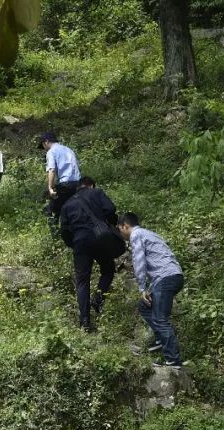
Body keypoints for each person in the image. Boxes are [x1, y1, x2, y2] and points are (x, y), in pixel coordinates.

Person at [117, 213, 184, 367]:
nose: (121, 235)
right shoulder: (149, 233)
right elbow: (151, 261)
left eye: (120, 230)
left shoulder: (136, 235)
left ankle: (173, 361)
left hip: (165, 277)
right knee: (144, 305)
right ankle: (161, 339)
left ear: (124, 226)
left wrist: (141, 288)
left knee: (161, 319)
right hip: (173, 275)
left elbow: (140, 262)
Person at [59, 177, 119, 332]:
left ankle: (85, 321)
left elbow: (64, 231)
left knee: (82, 281)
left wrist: (74, 244)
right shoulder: (96, 192)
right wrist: (108, 223)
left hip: (80, 242)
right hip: (100, 238)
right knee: (108, 269)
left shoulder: (67, 205)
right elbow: (111, 210)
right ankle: (98, 298)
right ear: (91, 185)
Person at [39, 131, 81, 231]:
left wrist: (50, 188)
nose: (44, 149)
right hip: (78, 184)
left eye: (42, 146)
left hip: (65, 185)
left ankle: (56, 237)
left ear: (46, 142)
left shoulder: (51, 152)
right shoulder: (68, 149)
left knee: (50, 211)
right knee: (72, 210)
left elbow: (51, 170)